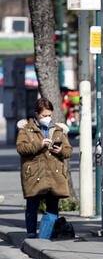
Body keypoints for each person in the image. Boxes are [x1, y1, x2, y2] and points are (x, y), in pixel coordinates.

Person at [16, 98, 73, 238]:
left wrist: (60, 151)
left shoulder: (58, 130)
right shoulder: (26, 130)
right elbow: (21, 148)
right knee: (32, 203)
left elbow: (68, 150)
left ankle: (48, 233)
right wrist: (39, 145)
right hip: (35, 173)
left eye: (49, 115)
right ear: (36, 114)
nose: (47, 118)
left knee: (52, 203)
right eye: (44, 115)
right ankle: (31, 233)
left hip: (54, 173)